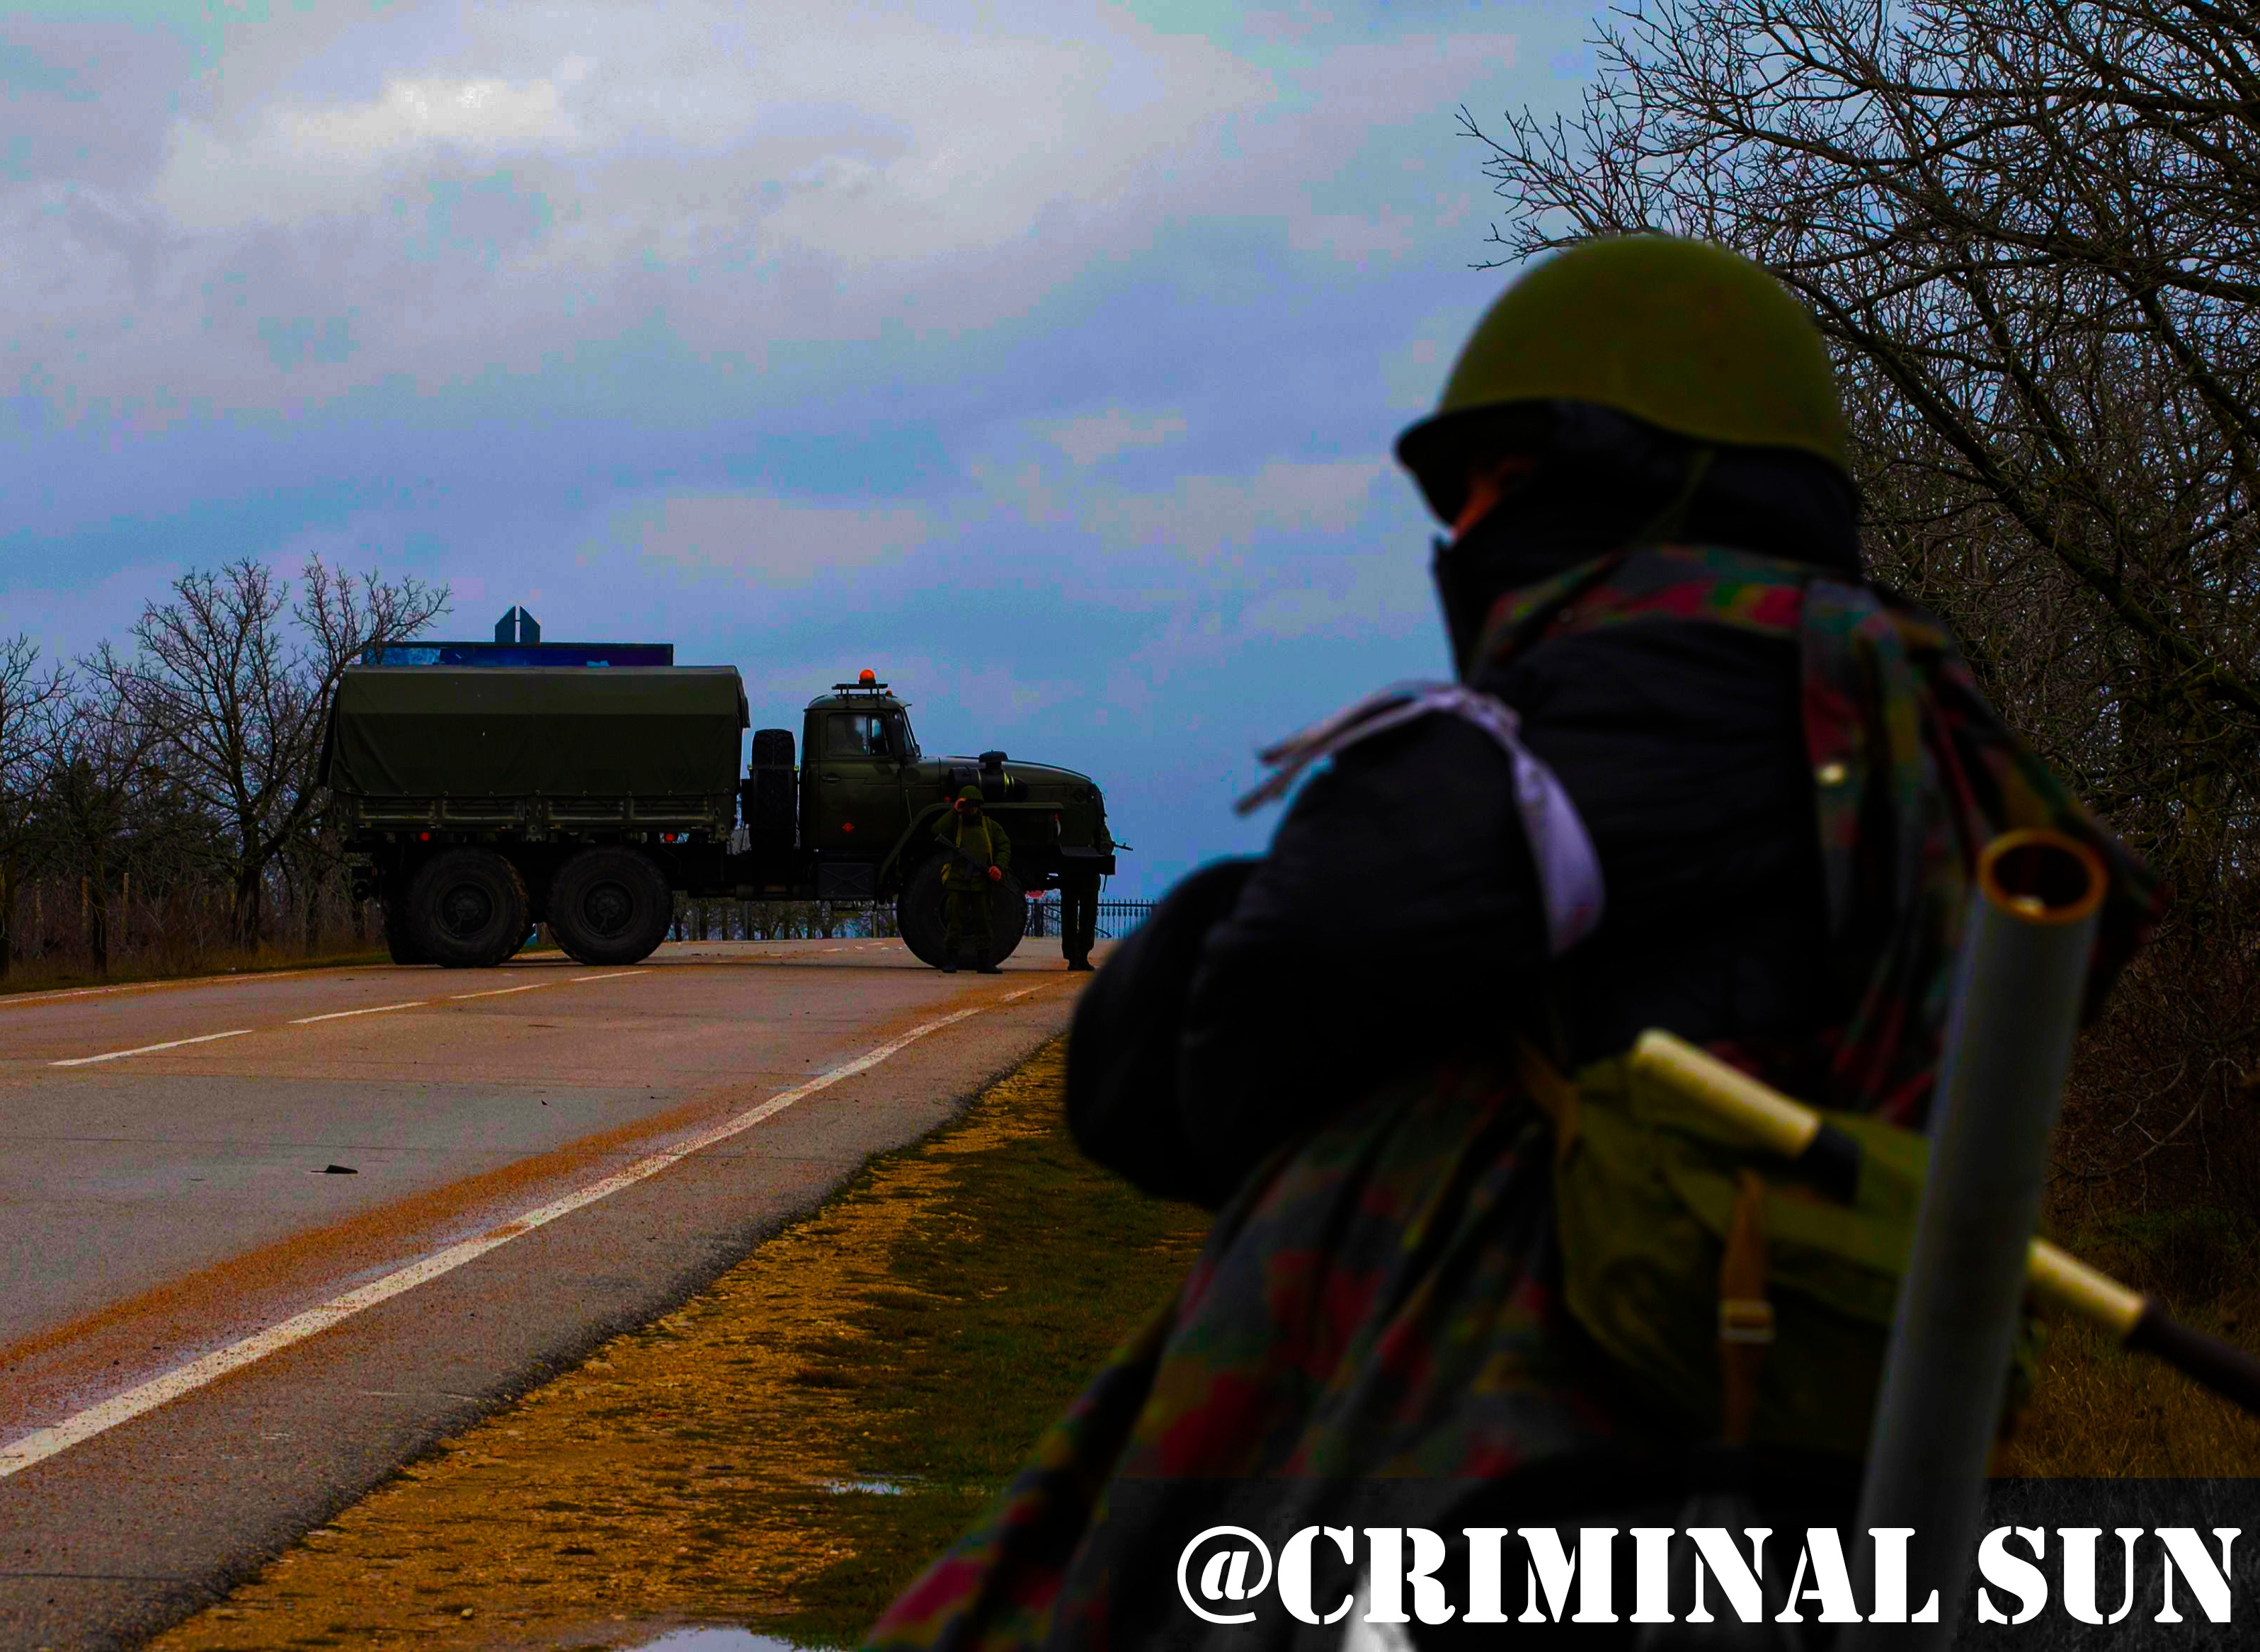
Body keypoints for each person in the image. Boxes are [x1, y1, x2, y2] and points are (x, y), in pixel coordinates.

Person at [865, 236, 2159, 1648]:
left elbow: (1212, 1036)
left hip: (1528, 1461)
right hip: (1834, 1457)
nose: (1461, 533)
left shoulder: (1655, 685)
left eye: (1487, 484)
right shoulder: (1936, 744)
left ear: (1606, 469)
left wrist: (1199, 930)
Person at [935, 784, 1012, 974]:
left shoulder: (990, 827)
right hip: (958, 879)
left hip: (981, 881)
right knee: (954, 920)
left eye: (975, 806)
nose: (971, 810)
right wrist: (955, 811)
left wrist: (999, 867)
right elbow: (936, 829)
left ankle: (984, 961)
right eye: (968, 806)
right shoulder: (956, 824)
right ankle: (951, 960)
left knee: (983, 921)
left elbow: (1004, 847)